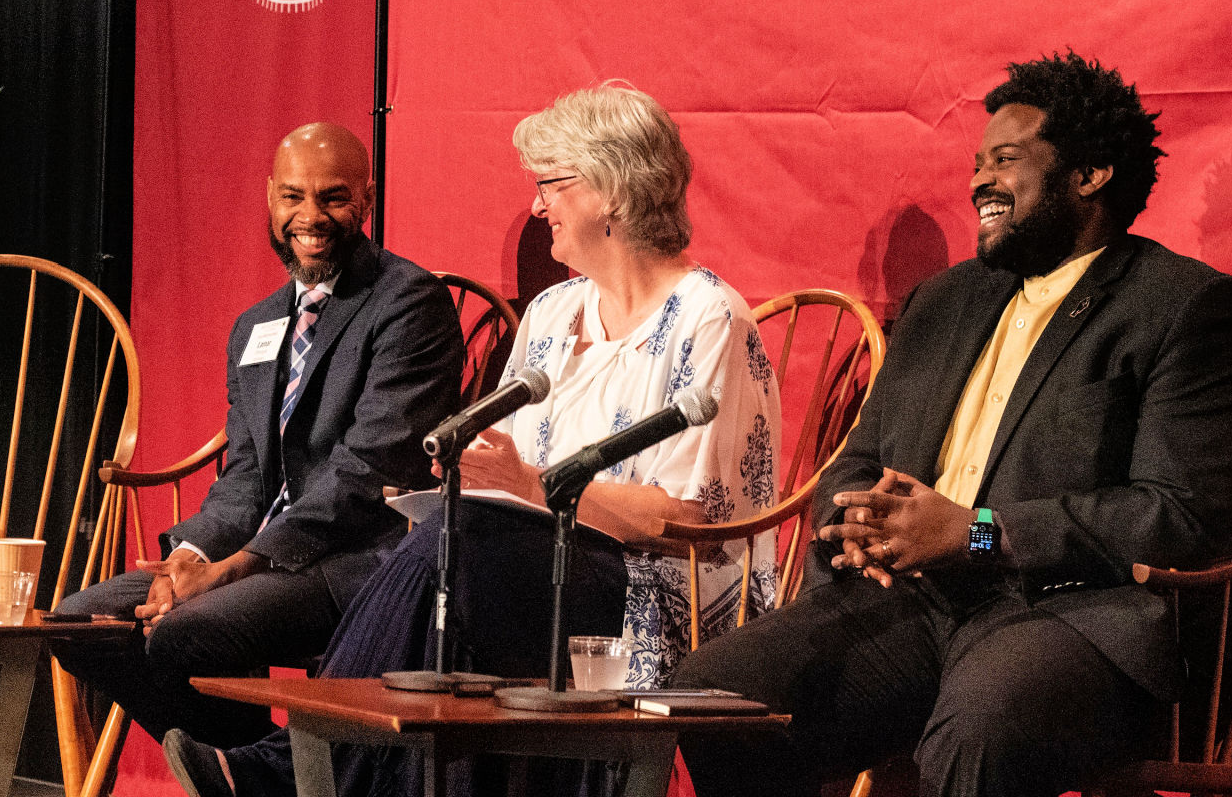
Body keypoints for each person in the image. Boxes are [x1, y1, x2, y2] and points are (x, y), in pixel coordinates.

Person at [672, 52, 1232, 797]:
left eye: (1008, 160)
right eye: (978, 162)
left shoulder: (1180, 305)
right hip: (912, 602)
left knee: (980, 725)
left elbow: (1180, 517)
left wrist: (977, 531)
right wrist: (851, 521)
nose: (980, 180)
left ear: (1090, 174)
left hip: (1069, 617)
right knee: (714, 692)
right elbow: (857, 463)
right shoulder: (944, 301)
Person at [164, 84, 781, 797]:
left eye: (551, 184)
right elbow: (505, 468)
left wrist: (533, 489)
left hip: (647, 590)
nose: (539, 205)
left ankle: (293, 768)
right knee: (449, 537)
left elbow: (690, 521)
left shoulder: (708, 319)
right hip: (537, 572)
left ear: (611, 192)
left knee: (460, 549)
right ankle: (311, 770)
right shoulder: (553, 312)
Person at [53, 122, 468, 748]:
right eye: (293, 196)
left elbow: (368, 472)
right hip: (253, 560)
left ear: (367, 198)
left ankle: (255, 775)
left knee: (185, 631)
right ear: (269, 197)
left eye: (333, 197)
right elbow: (245, 473)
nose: (310, 216)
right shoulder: (257, 324)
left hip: (355, 560)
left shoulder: (410, 304)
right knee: (79, 621)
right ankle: (259, 776)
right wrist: (190, 559)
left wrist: (232, 569)